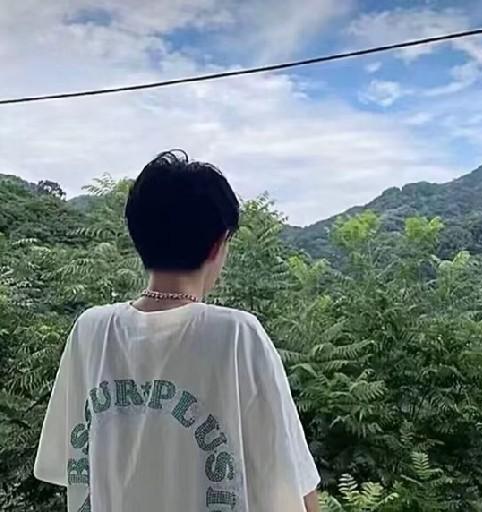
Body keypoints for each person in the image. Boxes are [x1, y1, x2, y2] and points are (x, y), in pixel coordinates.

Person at [34, 150, 320, 512]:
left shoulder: (90, 330)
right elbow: (291, 481)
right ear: (217, 245)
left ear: (138, 235)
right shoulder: (236, 335)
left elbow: (75, 467)